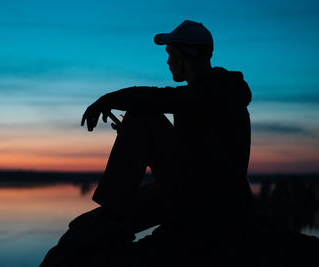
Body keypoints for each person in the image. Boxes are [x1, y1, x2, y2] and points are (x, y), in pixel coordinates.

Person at [40, 20, 253, 267]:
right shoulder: (207, 93)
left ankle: (113, 215)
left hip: (212, 204)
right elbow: (196, 151)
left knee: (141, 115)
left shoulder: (214, 92)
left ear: (186, 56)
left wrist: (110, 100)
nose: (167, 62)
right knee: (140, 120)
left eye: (170, 54)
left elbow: (157, 98)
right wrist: (138, 139)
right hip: (204, 192)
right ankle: (113, 216)